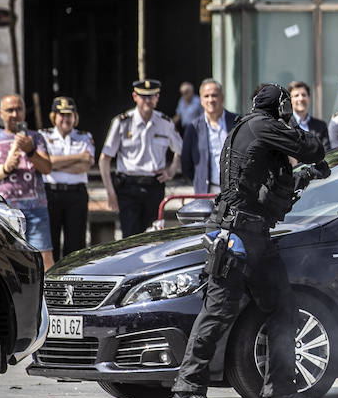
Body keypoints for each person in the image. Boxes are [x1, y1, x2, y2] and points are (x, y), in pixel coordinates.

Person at [171, 84, 328, 398]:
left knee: (283, 306)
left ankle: (281, 390)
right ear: (279, 107)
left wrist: (304, 175)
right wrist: (292, 125)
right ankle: (187, 387)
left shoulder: (250, 128)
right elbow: (311, 146)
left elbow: (268, 184)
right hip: (237, 234)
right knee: (219, 310)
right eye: (285, 106)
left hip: (253, 234)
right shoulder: (263, 125)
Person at [99, 80, 183, 238]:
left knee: (154, 237)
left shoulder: (165, 123)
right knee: (130, 239)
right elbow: (104, 159)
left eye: (151, 96)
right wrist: (110, 192)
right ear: (135, 97)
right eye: (143, 96)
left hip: (154, 186)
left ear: (157, 98)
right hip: (128, 186)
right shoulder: (122, 122)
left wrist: (171, 170)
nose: (147, 101)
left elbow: (179, 149)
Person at [0, 95, 54, 269]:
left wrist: (31, 152)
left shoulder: (35, 138)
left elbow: (47, 168)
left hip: (36, 209)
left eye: (19, 109)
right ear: (1, 113)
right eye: (10, 110)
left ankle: (48, 295)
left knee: (44, 258)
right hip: (6, 211)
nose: (15, 114)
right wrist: (6, 168)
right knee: (8, 263)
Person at [41, 97, 94, 262]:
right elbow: (45, 164)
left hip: (76, 195)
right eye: (61, 114)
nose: (66, 119)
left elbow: (85, 166)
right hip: (51, 193)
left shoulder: (85, 137)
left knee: (76, 245)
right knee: (51, 243)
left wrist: (55, 163)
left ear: (75, 117)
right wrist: (77, 157)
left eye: (69, 114)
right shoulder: (43, 135)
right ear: (54, 116)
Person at [181, 79, 238, 194]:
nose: (210, 100)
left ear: (222, 97)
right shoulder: (193, 128)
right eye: (206, 96)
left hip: (234, 193)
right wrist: (199, 182)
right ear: (201, 100)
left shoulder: (237, 122)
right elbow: (186, 163)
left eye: (214, 95)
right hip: (206, 192)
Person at [287, 81, 329, 151]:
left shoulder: (321, 126)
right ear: (290, 100)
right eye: (296, 95)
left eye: (303, 95)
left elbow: (326, 152)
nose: (301, 98)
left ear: (309, 98)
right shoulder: (284, 124)